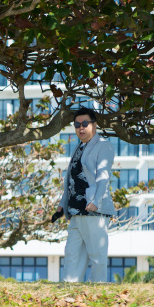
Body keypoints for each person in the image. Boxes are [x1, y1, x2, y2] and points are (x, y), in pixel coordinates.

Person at [57, 107, 115, 282]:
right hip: (75, 211)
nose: (80, 128)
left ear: (94, 125)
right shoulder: (79, 147)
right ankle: (69, 289)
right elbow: (71, 180)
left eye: (84, 124)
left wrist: (96, 201)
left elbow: (103, 177)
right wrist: (63, 203)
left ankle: (99, 291)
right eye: (77, 125)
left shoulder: (103, 146)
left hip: (93, 210)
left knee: (97, 255)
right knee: (72, 254)